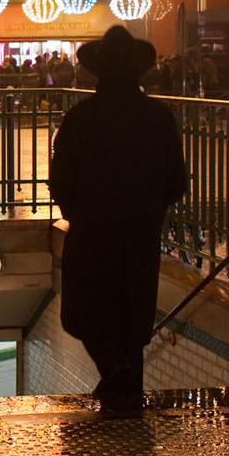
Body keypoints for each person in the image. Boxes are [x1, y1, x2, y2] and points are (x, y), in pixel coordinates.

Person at [49, 25, 189, 409]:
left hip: (92, 232)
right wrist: (149, 208)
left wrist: (76, 212)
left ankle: (113, 369)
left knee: (85, 311)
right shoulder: (159, 118)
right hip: (140, 236)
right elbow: (176, 180)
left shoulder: (79, 119)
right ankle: (128, 401)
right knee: (132, 320)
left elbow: (60, 179)